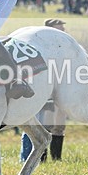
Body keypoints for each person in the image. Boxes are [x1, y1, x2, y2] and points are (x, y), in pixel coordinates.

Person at [21, 18, 68, 162]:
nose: (63, 32)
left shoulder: (66, 47)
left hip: (61, 89)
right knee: (44, 124)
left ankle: (56, 158)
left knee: (59, 125)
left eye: (63, 30)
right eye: (59, 29)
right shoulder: (41, 46)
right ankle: (40, 158)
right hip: (46, 90)